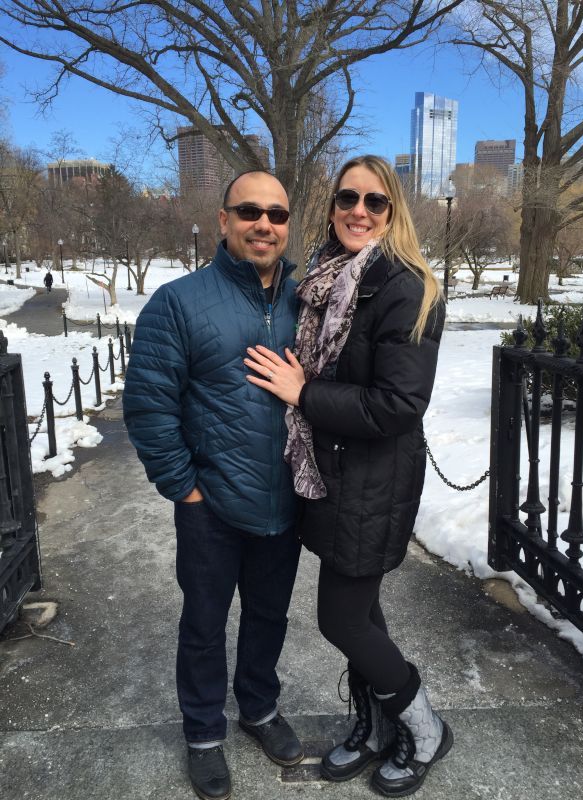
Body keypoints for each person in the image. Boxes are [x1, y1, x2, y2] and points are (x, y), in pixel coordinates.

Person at [244, 155, 450, 797]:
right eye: (347, 198)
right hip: (337, 474)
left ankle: (425, 729)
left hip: (373, 480)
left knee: (342, 619)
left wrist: (303, 393)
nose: (359, 211)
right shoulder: (330, 276)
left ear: (393, 212)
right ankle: (375, 726)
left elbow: (398, 405)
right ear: (332, 206)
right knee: (363, 613)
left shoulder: (404, 286)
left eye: (374, 201)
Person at [123, 170, 304, 800]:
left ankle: (258, 707)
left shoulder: (307, 301)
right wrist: (186, 488)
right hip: (211, 505)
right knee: (203, 623)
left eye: (277, 214)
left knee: (269, 615)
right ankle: (203, 732)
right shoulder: (178, 302)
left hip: (284, 502)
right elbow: (148, 406)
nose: (264, 224)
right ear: (224, 219)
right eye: (250, 211)